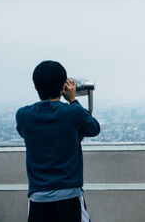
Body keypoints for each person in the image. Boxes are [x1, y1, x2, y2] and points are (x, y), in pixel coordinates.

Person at [16, 60, 101, 222]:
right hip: (69, 196)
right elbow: (94, 129)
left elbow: (25, 133)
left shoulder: (23, 115)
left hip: (38, 198)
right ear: (64, 86)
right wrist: (73, 100)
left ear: (35, 87)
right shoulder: (74, 112)